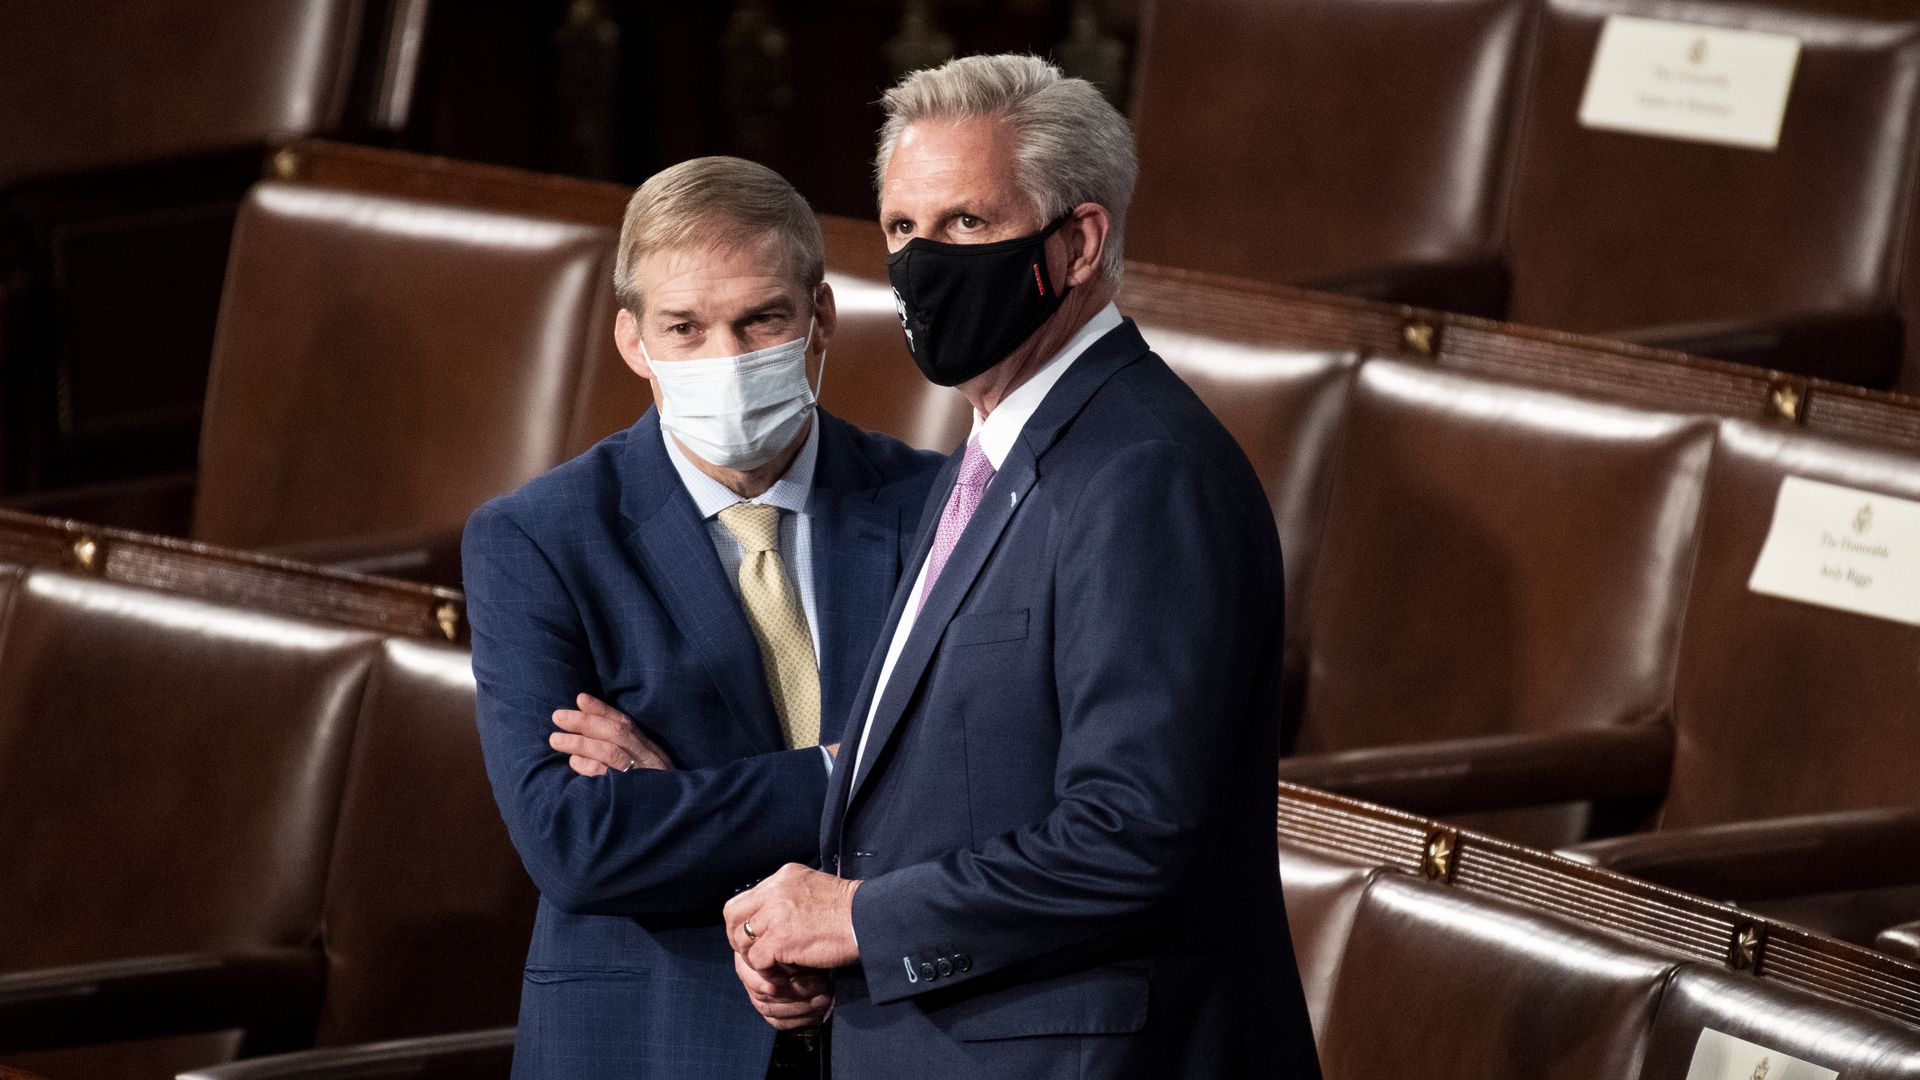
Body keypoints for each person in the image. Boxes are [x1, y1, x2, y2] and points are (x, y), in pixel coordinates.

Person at [721, 56, 1323, 1079]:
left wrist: (862, 918)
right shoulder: (991, 459)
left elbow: (1130, 834)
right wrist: (824, 938)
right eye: (903, 228)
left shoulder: (1145, 473)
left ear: (1078, 243)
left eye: (966, 225)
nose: (920, 262)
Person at [464, 155, 943, 1079]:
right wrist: (847, 772)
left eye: (760, 320)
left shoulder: (935, 508)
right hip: (652, 1039)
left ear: (820, 318)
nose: (727, 362)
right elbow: (578, 844)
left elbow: (985, 789)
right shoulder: (537, 539)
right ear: (632, 342)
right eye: (684, 328)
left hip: (901, 1026)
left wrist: (680, 792)